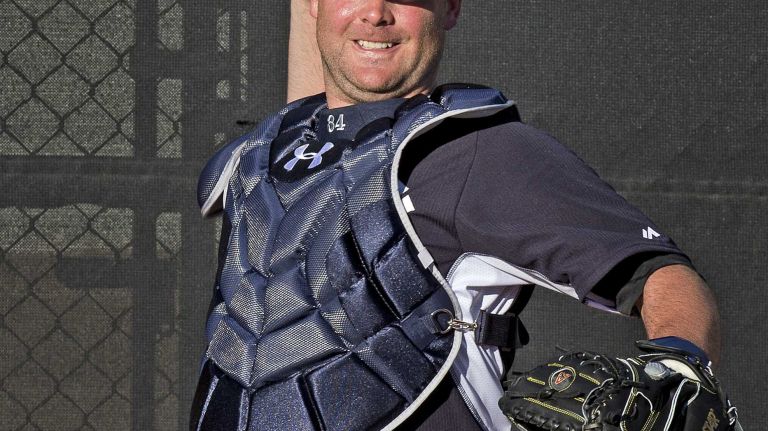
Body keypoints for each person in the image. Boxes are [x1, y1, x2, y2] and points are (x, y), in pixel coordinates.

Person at [189, 0, 722, 430]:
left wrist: (675, 368)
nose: (375, 13)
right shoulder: (270, 155)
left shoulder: (478, 152)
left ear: (451, 8)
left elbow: (662, 274)